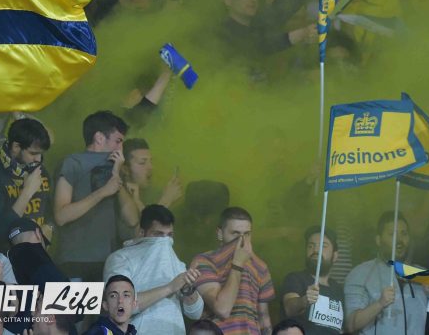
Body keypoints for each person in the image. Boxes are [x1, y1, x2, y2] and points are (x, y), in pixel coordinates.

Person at [54, 111, 138, 282]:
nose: (121, 149)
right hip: (74, 260)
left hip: (108, 262)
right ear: (99, 138)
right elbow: (61, 216)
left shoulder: (116, 167)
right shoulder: (73, 162)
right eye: (118, 141)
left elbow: (132, 219)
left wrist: (117, 175)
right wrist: (103, 192)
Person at [344, 211, 429, 334]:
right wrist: (380, 304)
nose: (399, 240)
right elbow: (351, 325)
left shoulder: (421, 274)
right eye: (392, 234)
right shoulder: (361, 273)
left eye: (404, 233)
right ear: (379, 240)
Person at [103, 204, 203, 335]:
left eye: (169, 235)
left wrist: (188, 289)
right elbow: (119, 306)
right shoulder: (120, 258)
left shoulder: (177, 264)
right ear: (142, 233)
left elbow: (195, 313)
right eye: (158, 235)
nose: (164, 242)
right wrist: (169, 288)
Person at [0, 118, 53, 253]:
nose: (38, 159)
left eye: (41, 154)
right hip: (3, 259)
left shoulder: (41, 173)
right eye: (33, 153)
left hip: (36, 256)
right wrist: (27, 192)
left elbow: (50, 213)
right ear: (16, 147)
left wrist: (49, 228)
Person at [191, 207, 274, 334]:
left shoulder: (260, 266)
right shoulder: (205, 261)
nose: (242, 240)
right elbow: (222, 309)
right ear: (220, 233)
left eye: (247, 234)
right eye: (235, 233)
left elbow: (264, 319)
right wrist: (237, 264)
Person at [281, 226, 343, 334]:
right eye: (311, 246)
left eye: (323, 246)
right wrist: (303, 301)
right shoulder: (295, 278)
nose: (316, 250)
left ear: (335, 255)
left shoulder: (337, 288)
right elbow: (289, 308)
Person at [121, 139, 183, 213]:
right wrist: (167, 199)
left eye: (150, 161)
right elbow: (147, 220)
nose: (151, 167)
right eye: (142, 162)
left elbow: (144, 216)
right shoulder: (119, 198)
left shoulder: (136, 195)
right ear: (125, 169)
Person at [7, 217, 67, 287]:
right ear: (38, 234)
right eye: (44, 243)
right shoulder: (40, 264)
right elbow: (66, 292)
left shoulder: (8, 270)